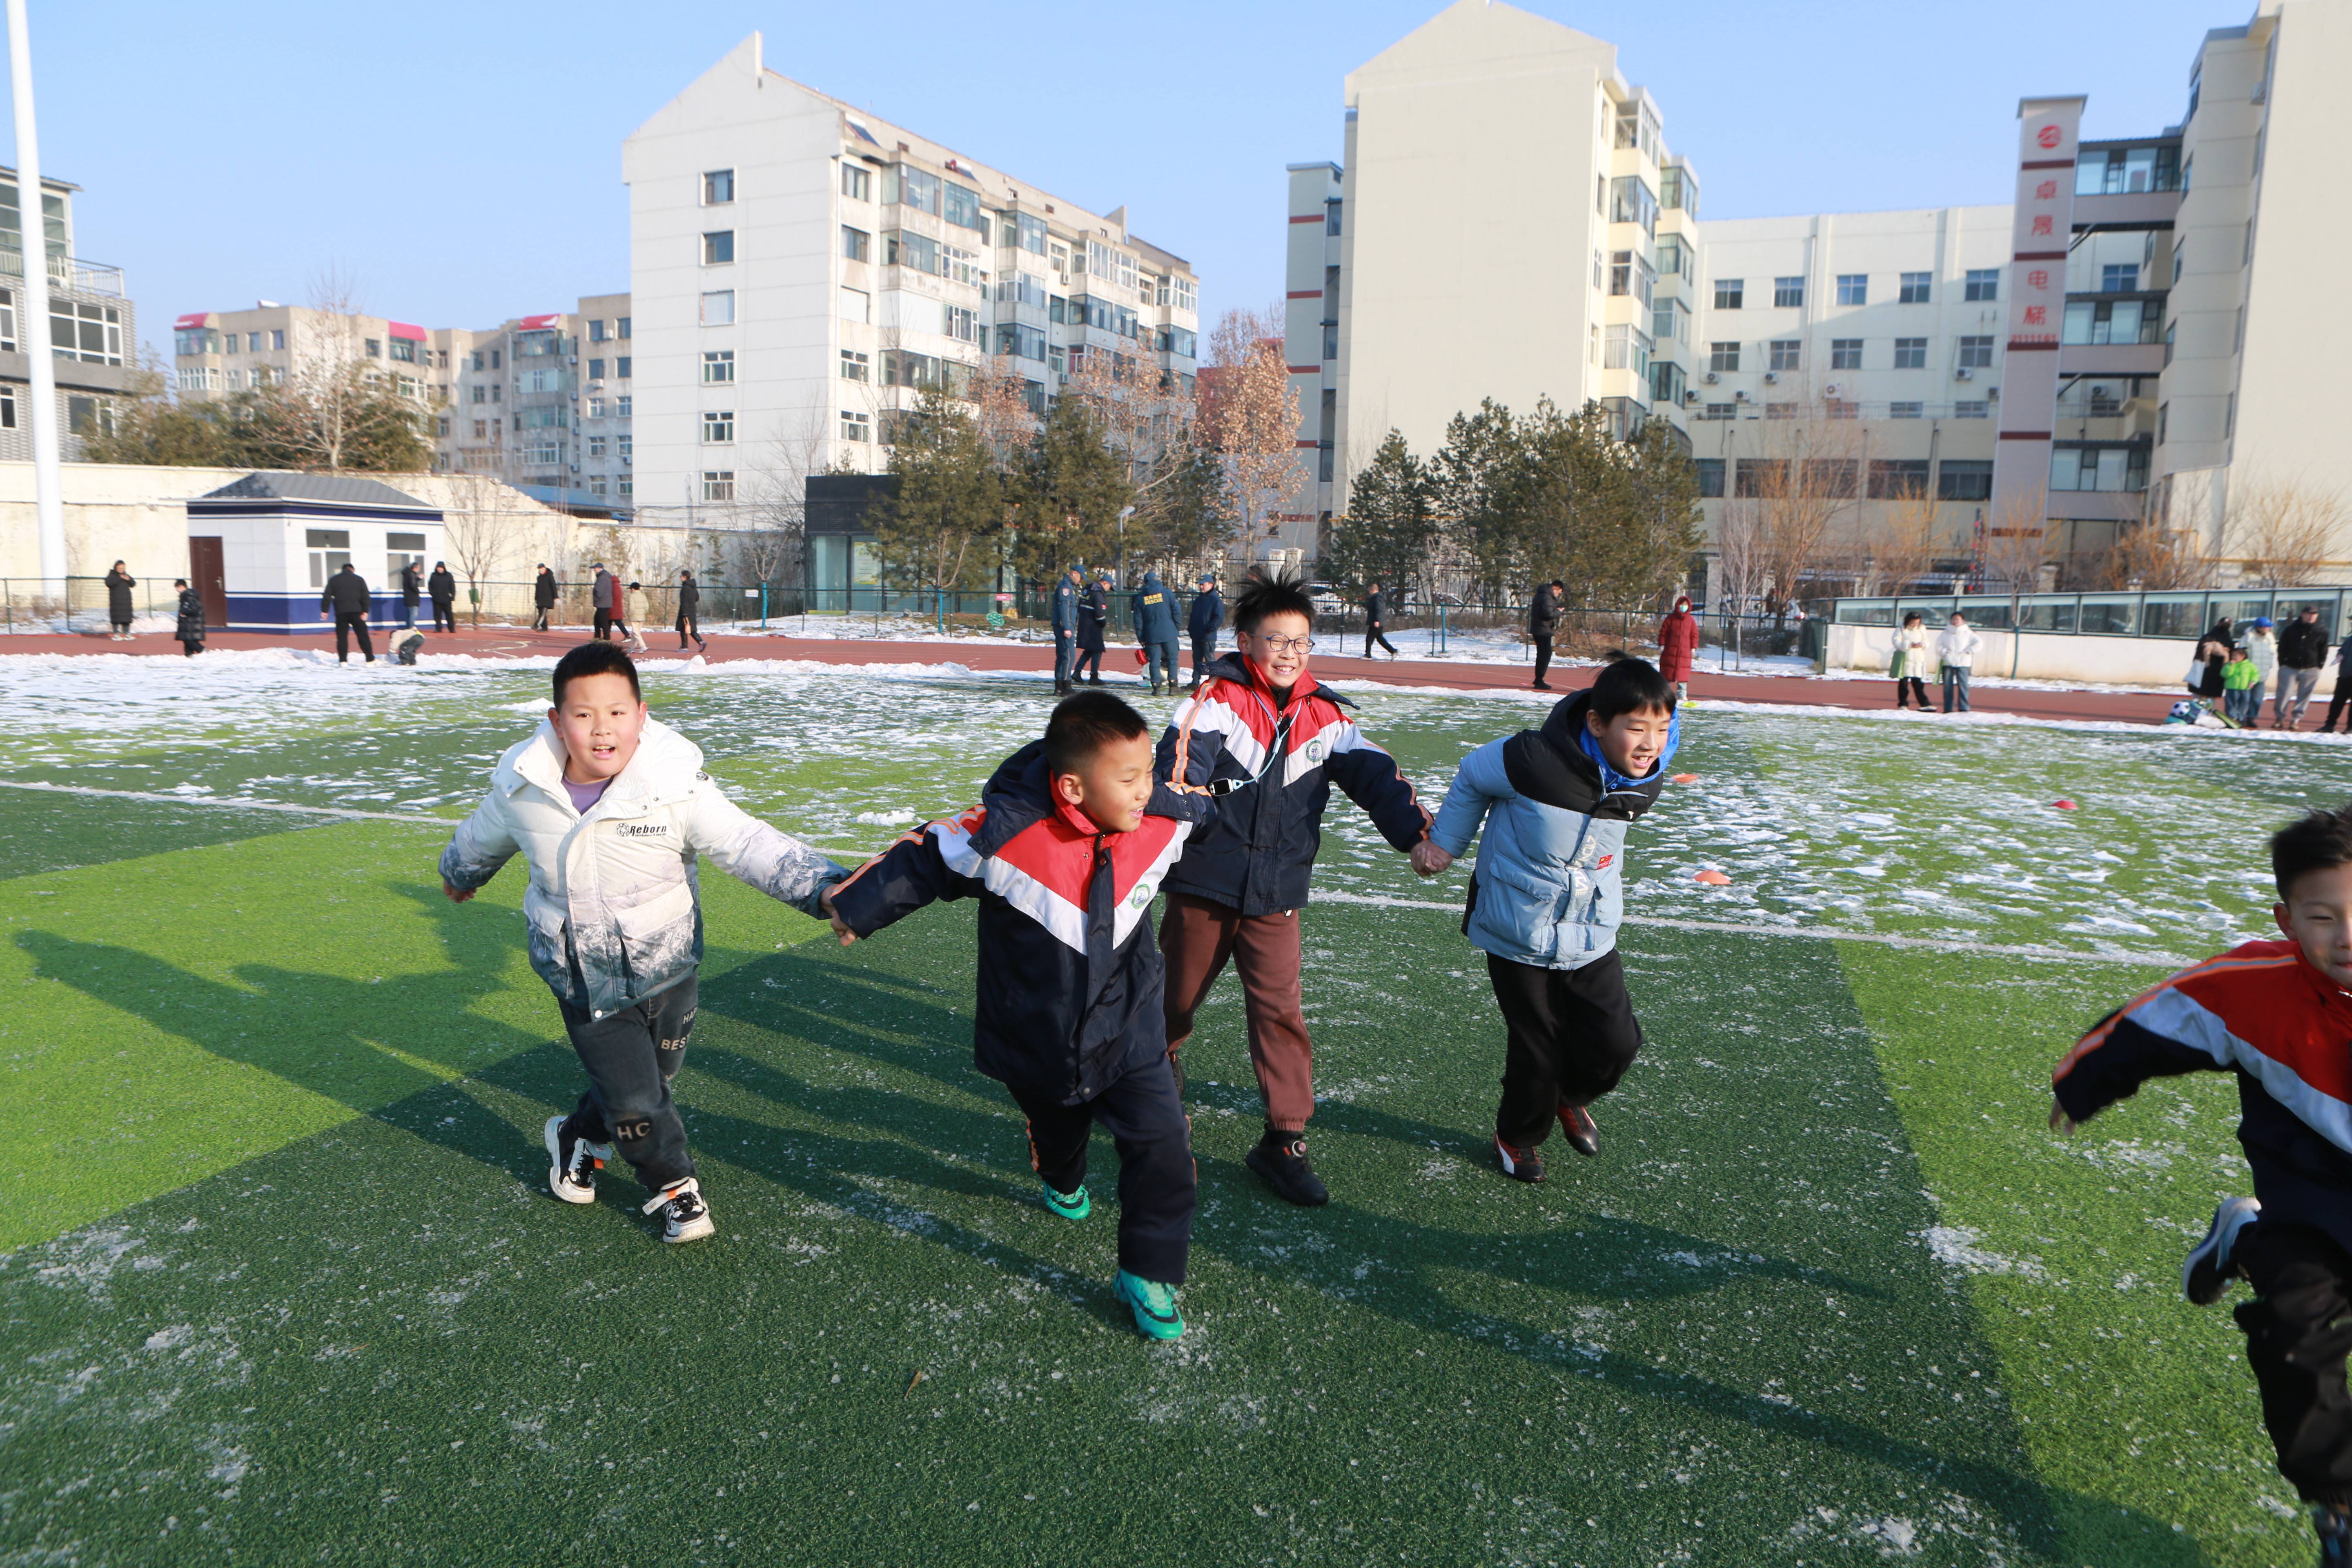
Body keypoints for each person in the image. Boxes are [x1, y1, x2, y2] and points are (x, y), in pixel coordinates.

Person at [822, 691, 1209, 1340]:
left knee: (1165, 1140)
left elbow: (1212, 813)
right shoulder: (1007, 831)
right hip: (1039, 1036)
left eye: (1150, 771)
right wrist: (858, 907)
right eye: (1130, 778)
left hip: (1130, 1025)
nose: (1149, 789)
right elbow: (927, 856)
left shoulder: (1164, 820)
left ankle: (1146, 1269)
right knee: (1063, 1139)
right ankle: (1058, 1167)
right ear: (1072, 787)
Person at [439, 641, 845, 1244]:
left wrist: (828, 891)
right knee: (634, 1099)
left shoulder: (673, 784)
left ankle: (578, 1133)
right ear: (557, 721)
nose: (602, 730)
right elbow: (482, 837)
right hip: (583, 975)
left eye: (617, 713)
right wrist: (460, 873)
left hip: (669, 964)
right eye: (582, 714)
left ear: (642, 715)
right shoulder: (523, 789)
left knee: (653, 1082)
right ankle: (674, 1188)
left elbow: (745, 841)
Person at [2048, 805, 2352, 1566]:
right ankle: (2341, 1504)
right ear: (2287, 919)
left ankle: (2238, 1237)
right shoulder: (2254, 990)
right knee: (2298, 1339)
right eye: (2324, 916)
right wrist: (2085, 1085)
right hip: (2311, 1207)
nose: (2348, 935)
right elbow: (2159, 1020)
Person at [1155, 572, 1434, 1205]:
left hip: (1278, 892)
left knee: (1281, 1012)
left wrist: (1417, 834)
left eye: (1301, 642)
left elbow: (1378, 780)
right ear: (1246, 641)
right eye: (1275, 640)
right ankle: (1156, 1077)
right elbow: (1178, 774)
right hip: (1205, 885)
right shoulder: (1216, 702)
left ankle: (1284, 1140)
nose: (1288, 654)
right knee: (1173, 999)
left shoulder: (1327, 716)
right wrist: (1183, 813)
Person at [1420, 657, 1677, 1180]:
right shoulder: (1532, 760)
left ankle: (1569, 1097)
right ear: (1597, 724)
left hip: (1591, 928)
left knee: (1617, 1043)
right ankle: (1518, 1137)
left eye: (1662, 729)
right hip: (1517, 925)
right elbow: (1473, 773)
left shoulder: (1646, 779)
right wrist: (1445, 845)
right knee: (1539, 1044)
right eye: (1636, 728)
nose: (1650, 743)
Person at [2277, 607, 2328, 730]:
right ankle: (2279, 718)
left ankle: (2296, 720)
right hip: (2290, 667)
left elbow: (2323, 650)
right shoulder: (2291, 629)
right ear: (2303, 614)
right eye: (2309, 614)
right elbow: (2282, 648)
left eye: (2314, 614)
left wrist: (2319, 665)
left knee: (2305, 696)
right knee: (2284, 694)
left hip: (2311, 668)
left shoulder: (2322, 632)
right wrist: (2282, 663)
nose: (2312, 616)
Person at [1132, 568, 1181, 695]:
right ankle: (1173, 685)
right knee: (1172, 659)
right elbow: (1177, 611)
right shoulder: (1167, 593)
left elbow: (1138, 620)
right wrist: (1176, 627)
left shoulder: (1140, 598)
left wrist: (1141, 637)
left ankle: (1156, 687)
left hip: (1151, 635)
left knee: (1154, 661)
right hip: (1169, 632)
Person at [319, 561, 375, 664]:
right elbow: (365, 597)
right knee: (363, 636)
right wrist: (365, 612)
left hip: (341, 613)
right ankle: (370, 659)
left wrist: (325, 610)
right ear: (352, 570)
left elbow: (327, 596)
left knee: (342, 638)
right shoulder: (359, 580)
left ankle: (343, 661)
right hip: (356, 612)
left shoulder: (334, 580)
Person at [1655, 593, 1699, 703]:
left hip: (1684, 653)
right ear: (1678, 605)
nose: (1683, 607)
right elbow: (1663, 633)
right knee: (1666, 674)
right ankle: (1663, 693)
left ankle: (1682, 694)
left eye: (1686, 605)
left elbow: (1694, 635)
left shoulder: (1691, 621)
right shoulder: (1670, 619)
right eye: (1682, 605)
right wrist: (1662, 645)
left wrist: (1694, 648)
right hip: (1670, 652)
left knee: (1683, 676)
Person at [1935, 611, 1979, 714]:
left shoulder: (1968, 633)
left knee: (1963, 685)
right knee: (1947, 686)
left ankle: (1964, 707)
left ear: (1962, 621)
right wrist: (1944, 652)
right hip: (1948, 662)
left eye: (1957, 619)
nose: (1955, 621)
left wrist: (1969, 650)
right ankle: (1948, 708)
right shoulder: (1946, 632)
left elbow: (1979, 643)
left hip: (1963, 662)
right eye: (1953, 619)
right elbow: (1938, 645)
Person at [1050, 565, 1083, 693]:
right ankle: (1066, 685)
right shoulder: (1066, 587)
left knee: (1062, 656)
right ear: (1074, 573)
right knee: (1069, 656)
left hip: (1062, 626)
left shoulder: (1067, 586)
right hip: (1065, 626)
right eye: (1080, 577)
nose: (1080, 580)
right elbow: (1064, 608)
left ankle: (1059, 686)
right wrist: (1067, 627)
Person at [1187, 572, 1223, 690]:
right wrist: (1191, 629)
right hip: (1197, 636)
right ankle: (1195, 682)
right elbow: (1193, 616)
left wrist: (1209, 629)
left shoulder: (1215, 600)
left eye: (1204, 584)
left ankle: (1216, 683)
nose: (1201, 587)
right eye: (1200, 585)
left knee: (1210, 661)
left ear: (1211, 585)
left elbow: (1219, 618)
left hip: (1208, 637)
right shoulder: (1199, 600)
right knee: (1197, 660)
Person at [1891, 611, 1932, 710]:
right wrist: (1909, 645)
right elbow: (1896, 642)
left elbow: (1927, 641)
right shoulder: (1901, 629)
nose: (1915, 625)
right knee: (1904, 684)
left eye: (1917, 623)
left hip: (1917, 660)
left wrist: (1922, 644)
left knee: (1918, 684)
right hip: (1905, 660)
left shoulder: (1922, 629)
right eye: (1913, 623)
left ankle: (1925, 704)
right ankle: (1903, 704)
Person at [1074, 572, 1109, 686]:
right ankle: (1094, 676)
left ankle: (1077, 672)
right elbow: (1100, 613)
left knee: (1089, 650)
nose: (1108, 590)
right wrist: (1103, 623)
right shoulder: (1098, 594)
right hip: (1094, 627)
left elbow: (1079, 607)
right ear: (1105, 583)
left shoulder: (1087, 591)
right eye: (1109, 587)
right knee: (1098, 650)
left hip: (1084, 625)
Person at [2195, 616, 2236, 711]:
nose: (2226, 626)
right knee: (2202, 692)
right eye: (2224, 624)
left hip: (2219, 669)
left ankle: (2209, 710)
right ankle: (2199, 710)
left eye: (2228, 624)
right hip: (2205, 668)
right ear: (2219, 624)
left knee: (2213, 693)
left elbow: (2231, 653)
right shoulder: (2209, 636)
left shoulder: (2229, 639)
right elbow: (2201, 650)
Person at [1528, 579, 1562, 690]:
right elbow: (1548, 615)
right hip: (1543, 630)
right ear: (1555, 589)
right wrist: (1558, 612)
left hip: (1540, 629)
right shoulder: (1547, 597)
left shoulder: (1540, 595)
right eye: (1559, 592)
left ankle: (1539, 679)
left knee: (1543, 655)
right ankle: (1539, 680)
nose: (1558, 595)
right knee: (1545, 655)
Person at [2247, 616, 2280, 722]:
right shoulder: (2248, 638)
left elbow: (2271, 655)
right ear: (2259, 627)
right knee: (2246, 698)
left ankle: (2252, 717)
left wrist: (2269, 667)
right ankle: (2242, 717)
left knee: (2258, 698)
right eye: (2266, 627)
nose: (2268, 629)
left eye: (2269, 627)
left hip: (2262, 673)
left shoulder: (2270, 639)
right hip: (2248, 674)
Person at [2224, 644, 2265, 726]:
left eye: (2236, 656)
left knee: (2244, 703)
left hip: (2245, 689)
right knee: (2231, 703)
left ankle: (2241, 718)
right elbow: (2225, 674)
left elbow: (2255, 675)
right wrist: (2230, 667)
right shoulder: (2230, 665)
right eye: (2233, 656)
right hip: (2232, 688)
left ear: (2243, 657)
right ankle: (2232, 717)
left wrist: (2253, 681)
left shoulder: (2250, 666)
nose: (2234, 658)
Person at [2322, 630, 2352, 735]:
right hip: (2344, 676)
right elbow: (2343, 651)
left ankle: (2350, 727)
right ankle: (2329, 725)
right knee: (2337, 703)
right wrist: (2339, 657)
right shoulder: (2349, 640)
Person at [1362, 580, 1400, 659]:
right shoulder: (1376, 598)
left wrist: (1377, 620)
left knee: (1370, 638)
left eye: (1370, 590)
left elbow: (1379, 610)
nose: (1369, 592)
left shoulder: (1377, 598)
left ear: (1373, 590)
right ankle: (1393, 651)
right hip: (1378, 621)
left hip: (1376, 621)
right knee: (1380, 639)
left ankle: (1368, 655)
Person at [675, 569, 707, 652]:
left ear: (685, 577)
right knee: (690, 628)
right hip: (692, 610)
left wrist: (684, 613)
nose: (680, 578)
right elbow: (697, 598)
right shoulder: (693, 587)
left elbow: (684, 601)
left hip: (686, 610)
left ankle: (685, 646)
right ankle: (700, 642)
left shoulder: (685, 588)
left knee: (684, 628)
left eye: (681, 576)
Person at [173, 578, 205, 658]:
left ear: (181, 587)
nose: (177, 591)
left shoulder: (188, 596)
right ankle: (189, 655)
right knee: (186, 639)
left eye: (177, 589)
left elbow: (195, 608)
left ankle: (203, 651)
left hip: (191, 622)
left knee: (189, 640)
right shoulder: (187, 596)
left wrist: (184, 612)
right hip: (189, 622)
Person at [104, 560, 136, 640]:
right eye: (120, 568)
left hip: (126, 601)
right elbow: (109, 583)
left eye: (123, 568)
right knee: (116, 618)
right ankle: (116, 634)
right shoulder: (112, 575)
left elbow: (133, 584)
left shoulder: (126, 575)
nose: (122, 570)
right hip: (116, 601)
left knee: (127, 618)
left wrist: (128, 579)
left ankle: (127, 634)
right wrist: (119, 578)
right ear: (116, 568)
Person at [428, 560, 458, 633]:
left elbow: (452, 587)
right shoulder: (433, 575)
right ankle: (438, 629)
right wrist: (433, 594)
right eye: (438, 568)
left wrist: (453, 596)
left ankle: (452, 628)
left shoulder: (449, 576)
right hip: (437, 600)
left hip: (447, 600)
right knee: (437, 616)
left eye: (441, 568)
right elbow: (430, 586)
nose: (440, 569)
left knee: (449, 615)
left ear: (444, 568)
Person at [621, 581, 650, 654]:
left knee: (636, 632)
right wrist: (643, 613)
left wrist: (629, 614)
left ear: (633, 589)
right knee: (636, 633)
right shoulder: (643, 596)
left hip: (634, 617)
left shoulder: (632, 596)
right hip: (642, 616)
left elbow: (632, 607)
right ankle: (631, 648)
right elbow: (647, 607)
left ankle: (643, 646)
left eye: (631, 589)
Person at [590, 563, 616, 642]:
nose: (594, 570)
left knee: (603, 621)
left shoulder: (602, 578)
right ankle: (598, 636)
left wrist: (597, 598)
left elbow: (600, 591)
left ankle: (607, 638)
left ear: (599, 568)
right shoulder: (604, 577)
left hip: (603, 603)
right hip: (604, 603)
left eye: (595, 568)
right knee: (597, 620)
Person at [397, 557, 423, 630]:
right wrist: (418, 591)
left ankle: (408, 628)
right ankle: (411, 628)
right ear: (415, 568)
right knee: (413, 614)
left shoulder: (407, 574)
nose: (419, 570)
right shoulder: (411, 574)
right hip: (412, 598)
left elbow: (411, 583)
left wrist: (418, 578)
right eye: (419, 568)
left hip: (408, 598)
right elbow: (412, 585)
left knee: (410, 614)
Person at [533, 564, 559, 633]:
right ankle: (545, 628)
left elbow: (554, 586)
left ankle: (536, 625)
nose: (540, 570)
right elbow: (537, 589)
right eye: (539, 569)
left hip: (548, 599)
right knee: (541, 613)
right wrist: (536, 599)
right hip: (540, 599)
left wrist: (556, 597)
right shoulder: (539, 578)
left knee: (543, 614)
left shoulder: (550, 576)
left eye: (541, 569)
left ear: (544, 568)